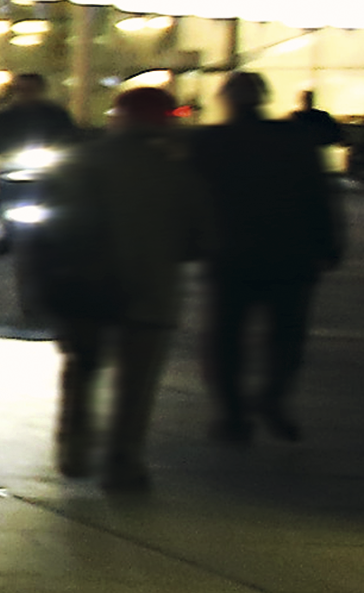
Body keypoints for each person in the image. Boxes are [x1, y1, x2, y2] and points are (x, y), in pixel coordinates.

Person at [29, 83, 207, 492]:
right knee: (136, 383)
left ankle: (74, 447)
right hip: (152, 290)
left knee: (83, 368)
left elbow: (53, 223)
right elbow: (199, 237)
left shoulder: (80, 160)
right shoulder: (178, 172)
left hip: (85, 284)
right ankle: (123, 461)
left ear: (119, 118)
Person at [189, 71, 342, 443]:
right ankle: (272, 397)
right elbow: (319, 195)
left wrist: (190, 242)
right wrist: (328, 246)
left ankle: (232, 414)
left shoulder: (209, 142)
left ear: (224, 99)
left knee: (225, 339)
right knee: (286, 337)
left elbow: (188, 197)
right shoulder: (294, 141)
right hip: (290, 254)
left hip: (230, 255)